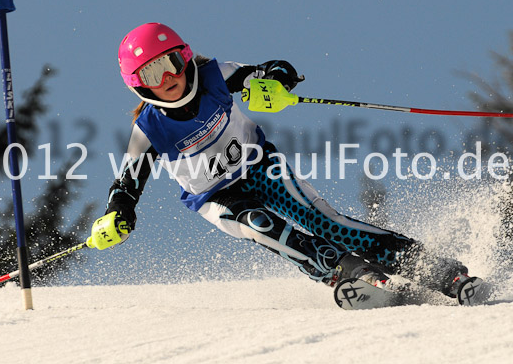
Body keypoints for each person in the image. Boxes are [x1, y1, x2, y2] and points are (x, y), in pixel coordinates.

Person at [86, 22, 474, 300]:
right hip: (216, 198)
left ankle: (434, 268)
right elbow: (127, 184)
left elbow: (266, 71)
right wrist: (117, 216)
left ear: (185, 57)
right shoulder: (149, 128)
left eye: (172, 61)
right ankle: (340, 270)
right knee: (260, 225)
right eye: (152, 72)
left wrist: (276, 80)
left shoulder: (212, 76)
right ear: (137, 83)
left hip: (260, 166)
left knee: (325, 221)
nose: (168, 76)